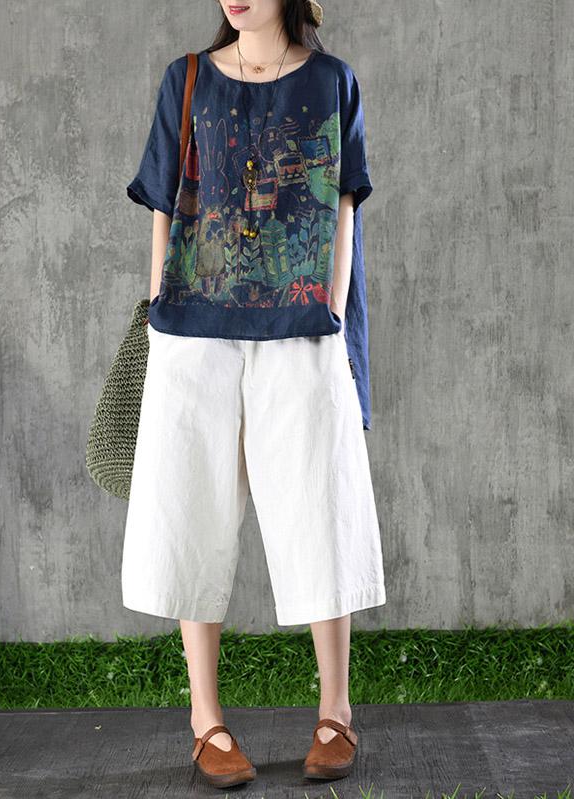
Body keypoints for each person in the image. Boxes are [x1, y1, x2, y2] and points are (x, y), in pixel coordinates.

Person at [121, 0, 386, 787]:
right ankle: (206, 720)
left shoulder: (332, 81)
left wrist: (330, 305)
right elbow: (165, 204)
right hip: (193, 328)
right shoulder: (187, 79)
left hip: (300, 325)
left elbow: (343, 201)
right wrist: (161, 311)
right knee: (191, 510)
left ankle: (335, 711)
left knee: (318, 507)